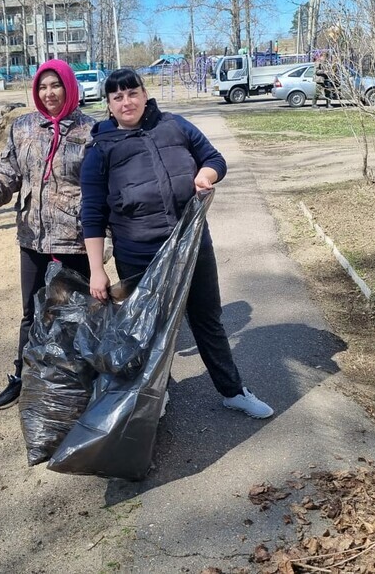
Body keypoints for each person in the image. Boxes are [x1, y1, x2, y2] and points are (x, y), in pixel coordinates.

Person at [79, 68, 274, 419]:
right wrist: (96, 270)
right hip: (138, 254)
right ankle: (157, 395)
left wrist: (206, 174)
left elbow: (215, 159)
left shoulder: (174, 125)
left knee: (207, 320)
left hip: (191, 244)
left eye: (132, 92)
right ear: (108, 105)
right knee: (149, 330)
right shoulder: (100, 150)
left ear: (144, 93)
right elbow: (92, 213)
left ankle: (232, 391)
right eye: (117, 97)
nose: (127, 102)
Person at [0, 59, 96, 409]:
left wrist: (104, 240)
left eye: (55, 85)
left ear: (69, 87)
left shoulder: (91, 131)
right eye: (42, 87)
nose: (48, 92)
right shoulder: (23, 127)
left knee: (75, 312)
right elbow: (8, 171)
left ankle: (75, 380)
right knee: (30, 310)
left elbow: (102, 188)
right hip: (32, 235)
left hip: (75, 237)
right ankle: (22, 375)